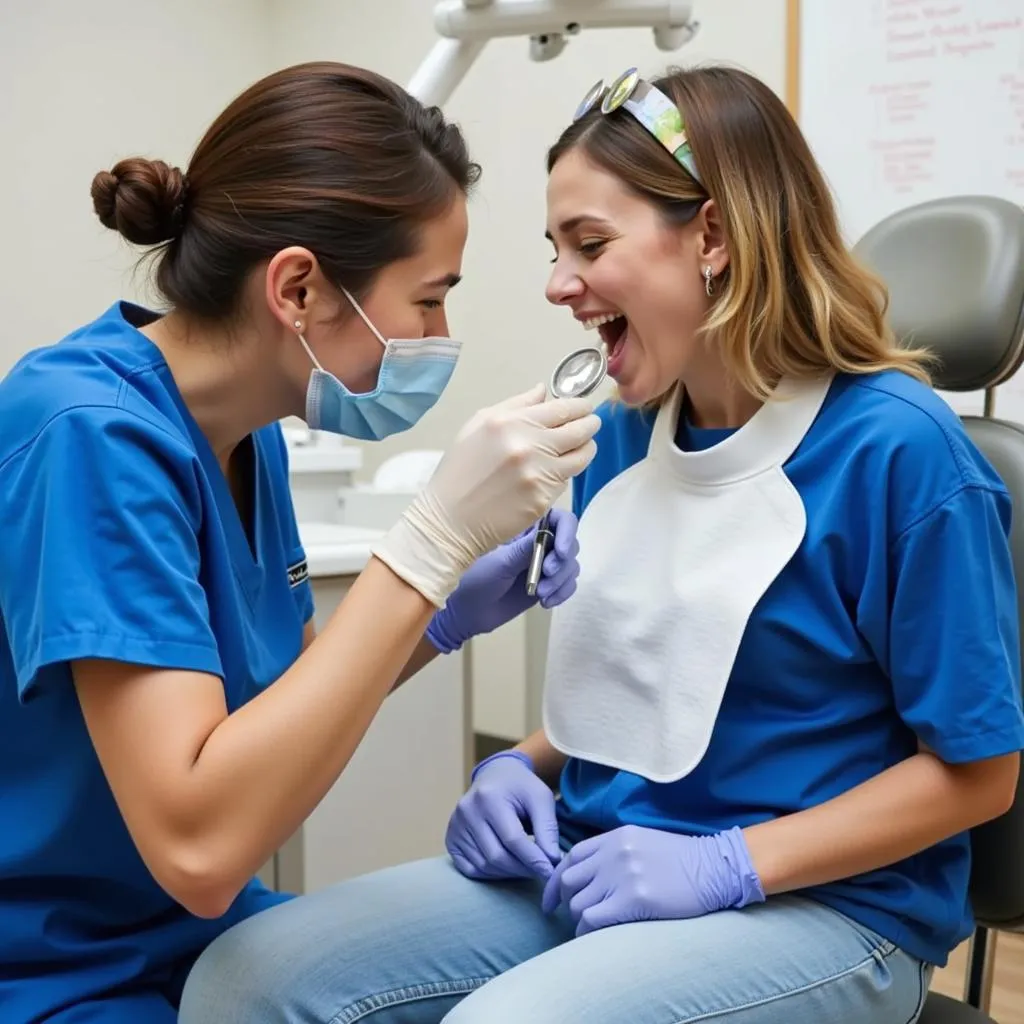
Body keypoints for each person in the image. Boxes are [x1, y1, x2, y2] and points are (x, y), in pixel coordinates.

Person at [177, 65, 1024, 1024]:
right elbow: (670, 693)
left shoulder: (904, 456)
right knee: (248, 980)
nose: (555, 285)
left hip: (832, 909)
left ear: (712, 234)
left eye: (589, 243)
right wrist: (520, 768)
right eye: (555, 247)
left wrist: (729, 862)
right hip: (600, 861)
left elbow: (978, 775)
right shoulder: (623, 431)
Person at [0, 61, 602, 1024]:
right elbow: (198, 846)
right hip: (54, 964)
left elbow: (277, 700)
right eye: (429, 298)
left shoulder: (249, 432)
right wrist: (427, 546)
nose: (440, 334)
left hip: (188, 936)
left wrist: (444, 615)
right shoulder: (88, 431)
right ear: (298, 288)